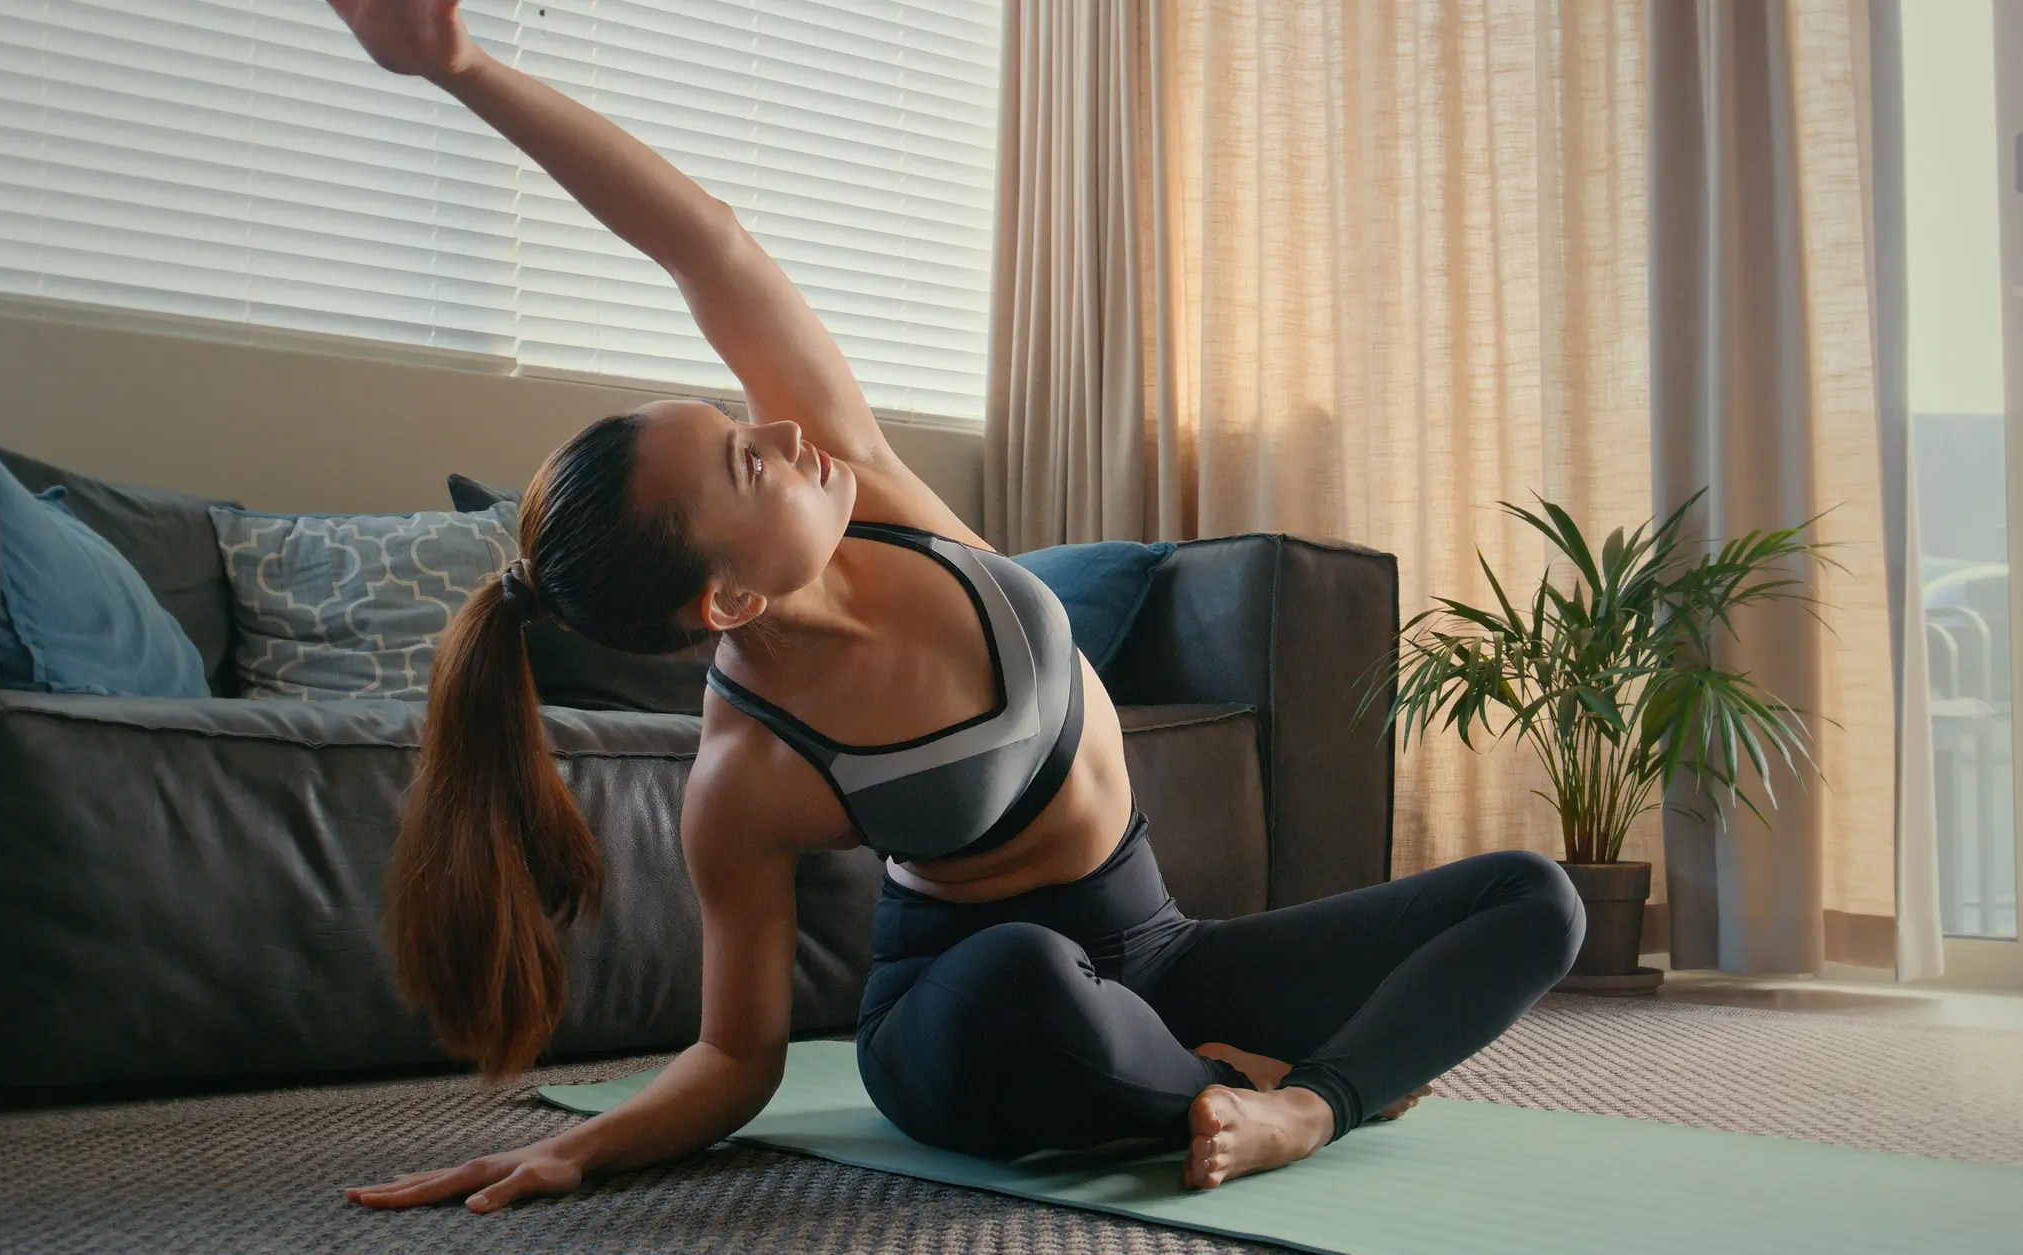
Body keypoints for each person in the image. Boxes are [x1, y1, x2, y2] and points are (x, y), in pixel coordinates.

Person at [329, 0, 1586, 1216]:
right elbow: (736, 1057)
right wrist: (585, 1151)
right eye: (742, 463)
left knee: (1531, 895)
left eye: (739, 423)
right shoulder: (749, 773)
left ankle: (1295, 1107)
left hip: (1157, 951)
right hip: (963, 1016)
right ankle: (1215, 1092)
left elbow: (704, 243)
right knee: (1022, 973)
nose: (776, 430)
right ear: (728, 596)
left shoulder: (865, 483)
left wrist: (462, 67)